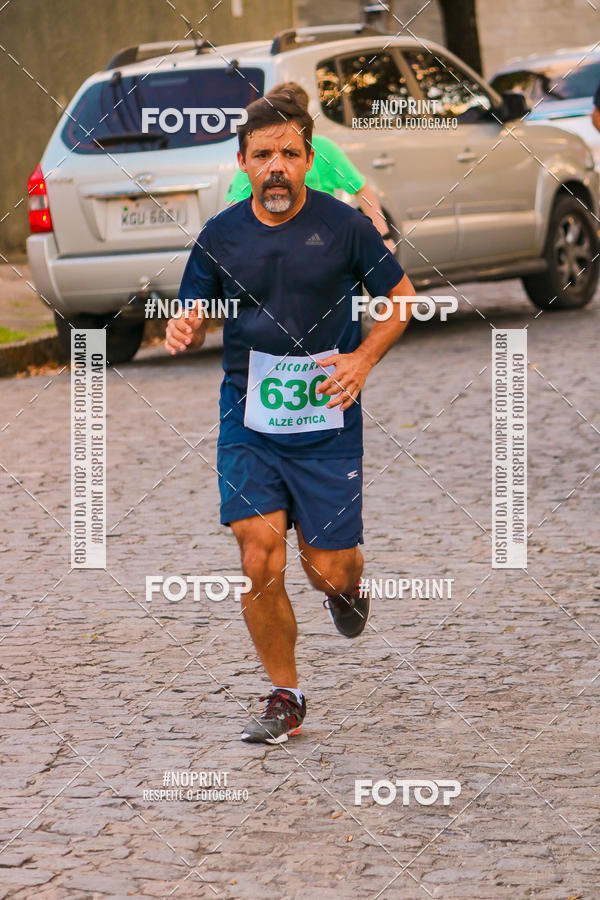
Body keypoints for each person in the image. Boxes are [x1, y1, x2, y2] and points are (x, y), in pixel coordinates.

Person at [165, 91, 416, 744]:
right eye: (262, 155)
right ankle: (286, 694)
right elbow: (192, 310)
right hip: (248, 416)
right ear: (242, 161)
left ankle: (347, 588)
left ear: (309, 158)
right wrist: (186, 327)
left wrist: (361, 360)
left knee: (328, 567)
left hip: (327, 419)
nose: (275, 167)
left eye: (288, 154)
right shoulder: (220, 235)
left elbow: (401, 300)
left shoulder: (344, 227)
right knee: (258, 556)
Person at [225, 82, 396, 254]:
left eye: (291, 154)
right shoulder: (259, 155)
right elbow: (235, 205)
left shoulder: (325, 149)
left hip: (318, 244)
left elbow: (360, 188)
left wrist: (383, 237)